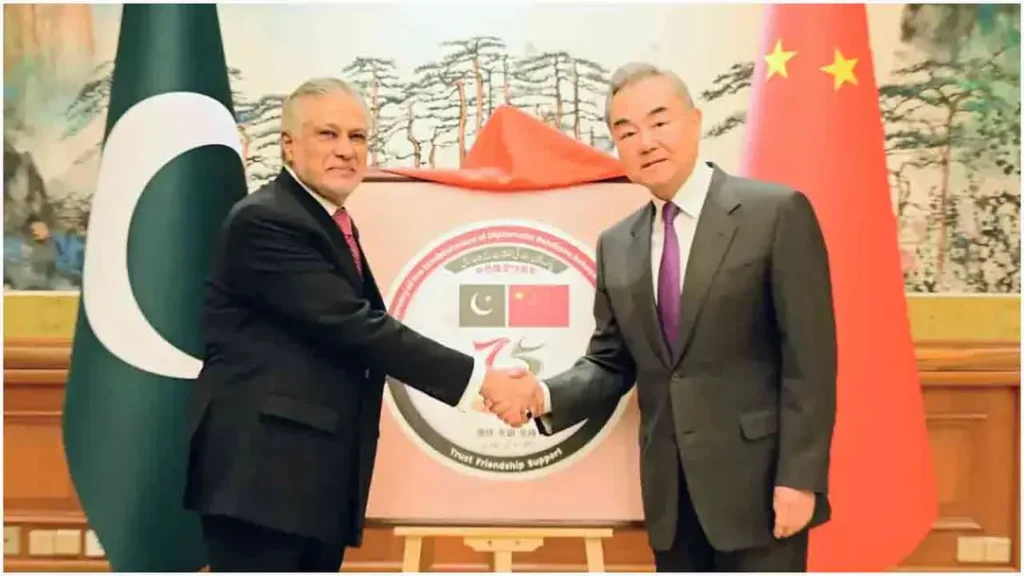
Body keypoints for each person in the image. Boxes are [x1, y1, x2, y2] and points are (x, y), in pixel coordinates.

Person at [183, 78, 540, 572]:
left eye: (357, 137)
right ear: (288, 145)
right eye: (327, 134)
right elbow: (356, 327)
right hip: (262, 482)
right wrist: (483, 380)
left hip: (307, 485)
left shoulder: (328, 221)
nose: (346, 150)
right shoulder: (265, 221)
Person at [491, 63, 837, 571]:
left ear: (694, 122)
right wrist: (541, 395)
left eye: (659, 122)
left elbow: (810, 363)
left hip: (760, 491)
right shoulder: (617, 244)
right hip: (672, 499)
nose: (645, 142)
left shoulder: (776, 213)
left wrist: (800, 479)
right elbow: (610, 363)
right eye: (626, 131)